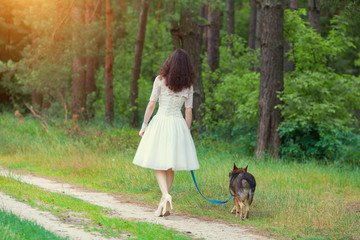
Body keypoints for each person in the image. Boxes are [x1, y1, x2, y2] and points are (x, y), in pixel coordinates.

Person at [133, 49, 199, 217]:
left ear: (169, 63)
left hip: (161, 122)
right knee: (170, 166)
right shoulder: (188, 85)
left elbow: (151, 104)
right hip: (177, 124)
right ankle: (164, 205)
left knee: (158, 162)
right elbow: (189, 111)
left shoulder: (160, 80)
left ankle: (165, 195)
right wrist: (187, 131)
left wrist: (144, 124)